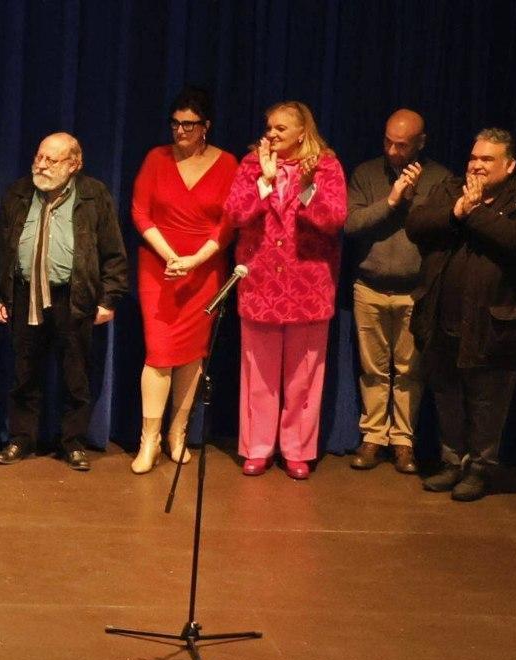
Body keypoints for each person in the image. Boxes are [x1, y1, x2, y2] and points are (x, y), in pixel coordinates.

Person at [406, 128, 516, 502]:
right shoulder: (450, 190)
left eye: (487, 159)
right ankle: (451, 462)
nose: (477, 165)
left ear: (509, 165)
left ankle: (480, 469)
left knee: (487, 402)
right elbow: (416, 225)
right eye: (473, 158)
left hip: (494, 325)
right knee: (447, 395)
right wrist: (456, 211)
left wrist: (475, 212)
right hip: (442, 317)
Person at [0, 133, 128, 471]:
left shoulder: (93, 195)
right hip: (25, 296)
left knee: (75, 375)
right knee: (24, 373)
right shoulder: (18, 193)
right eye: (39, 157)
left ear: (74, 164)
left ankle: (73, 442)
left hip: (73, 297)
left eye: (52, 159)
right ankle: (21, 438)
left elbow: (113, 251)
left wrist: (109, 299)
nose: (41, 165)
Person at [223, 101, 347, 479]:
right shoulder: (252, 164)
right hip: (260, 284)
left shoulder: (325, 165)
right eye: (270, 128)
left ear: (302, 132)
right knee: (258, 377)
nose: (272, 134)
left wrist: (307, 188)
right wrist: (264, 181)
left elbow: (334, 219)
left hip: (307, 287)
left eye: (281, 128)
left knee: (303, 378)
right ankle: (257, 448)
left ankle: (297, 449)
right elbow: (235, 214)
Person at [129, 86, 238, 474]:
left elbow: (228, 223)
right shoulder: (156, 158)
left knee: (192, 354)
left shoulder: (227, 164)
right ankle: (149, 440)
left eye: (189, 125)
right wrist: (171, 256)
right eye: (175, 123)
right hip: (159, 268)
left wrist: (194, 261)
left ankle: (178, 433)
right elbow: (140, 212)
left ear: (206, 126)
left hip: (204, 270)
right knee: (159, 353)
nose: (180, 131)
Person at [343, 109, 452, 474]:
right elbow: (351, 223)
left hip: (414, 291)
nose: (392, 151)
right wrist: (391, 201)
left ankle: (403, 442)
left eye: (402, 145)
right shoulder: (366, 173)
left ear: (421, 143)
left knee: (409, 371)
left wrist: (412, 198)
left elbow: (442, 229)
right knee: (373, 369)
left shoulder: (439, 179)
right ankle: (373, 436)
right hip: (370, 287)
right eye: (388, 142)